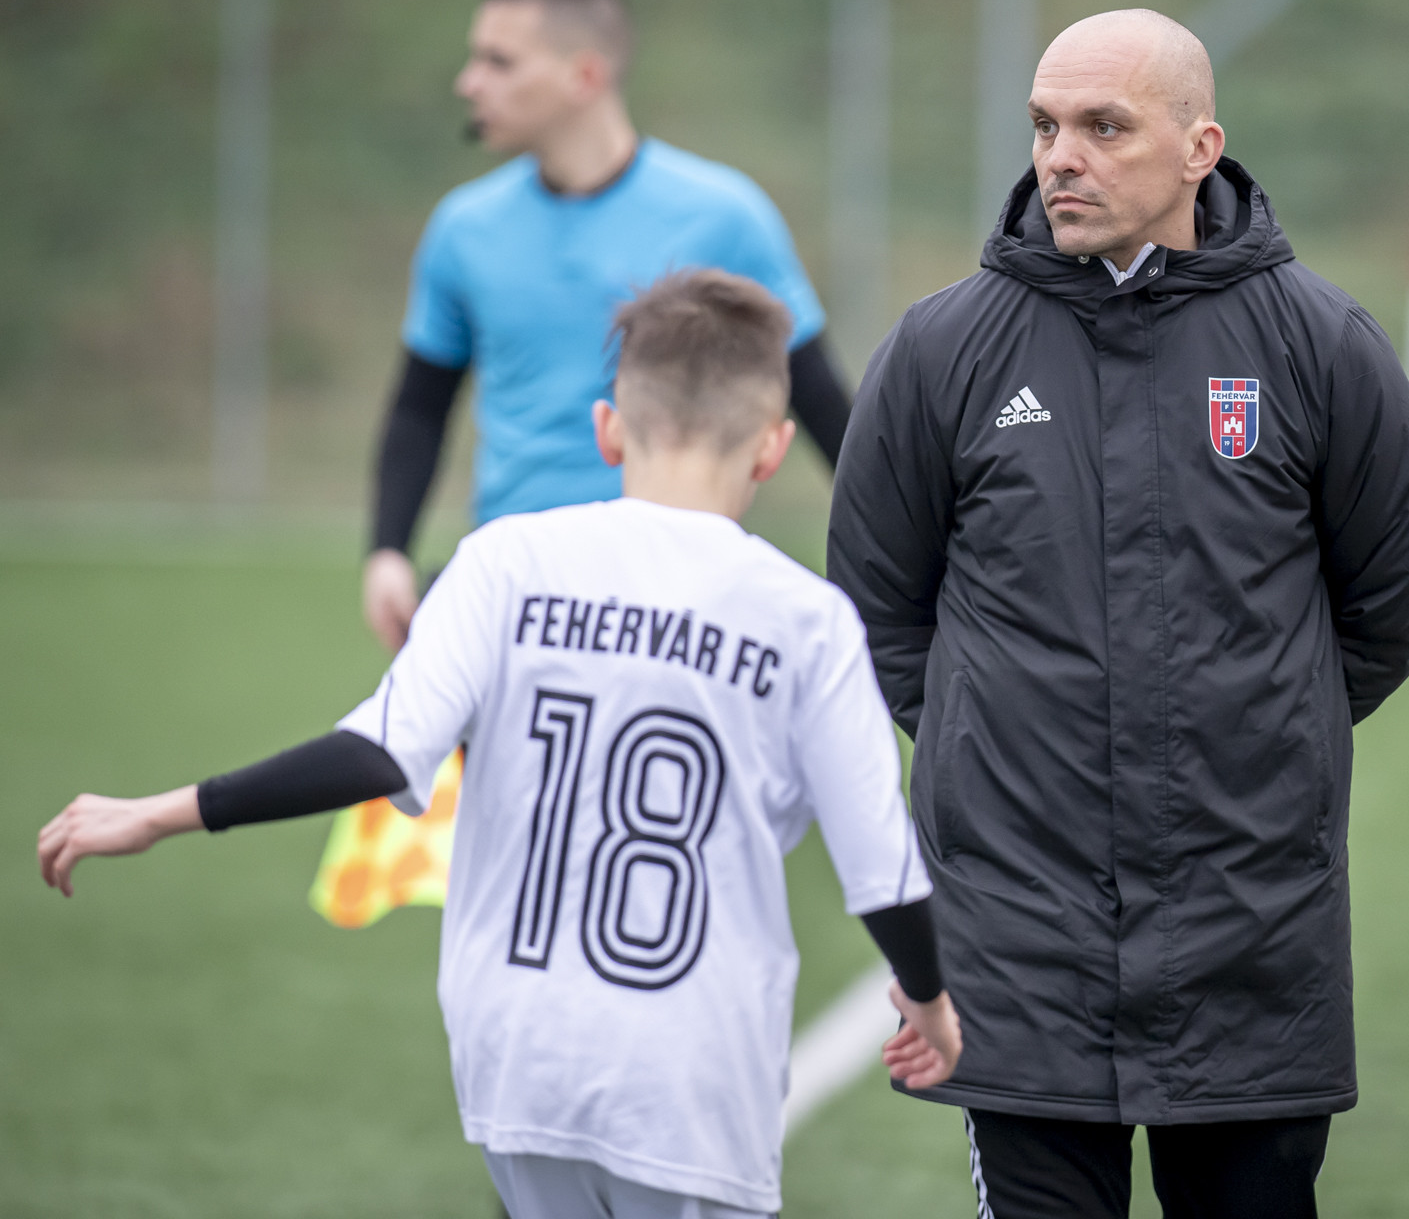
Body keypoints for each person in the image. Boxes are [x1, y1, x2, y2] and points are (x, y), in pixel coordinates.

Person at [40, 271, 962, 1219]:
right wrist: (929, 1003)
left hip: (519, 1064)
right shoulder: (806, 619)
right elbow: (883, 877)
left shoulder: (502, 561)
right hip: (692, 1085)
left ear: (608, 429)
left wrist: (162, 812)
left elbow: (381, 753)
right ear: (772, 446)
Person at [827, 9, 1409, 1218]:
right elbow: (875, 610)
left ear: (1200, 147)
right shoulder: (942, 348)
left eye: (1104, 127)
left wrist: (1265, 737)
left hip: (1253, 928)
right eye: (1045, 126)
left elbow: (1388, 606)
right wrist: (982, 741)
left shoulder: (1320, 344)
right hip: (1018, 934)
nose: (1062, 157)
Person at [364, 0, 852, 652]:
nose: (469, 82)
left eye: (499, 61)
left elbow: (819, 399)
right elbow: (420, 406)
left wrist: (904, 545)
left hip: (673, 601)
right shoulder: (463, 229)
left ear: (584, 75)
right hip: (515, 586)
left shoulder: (723, 217)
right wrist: (388, 550)